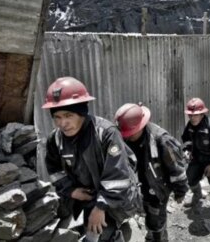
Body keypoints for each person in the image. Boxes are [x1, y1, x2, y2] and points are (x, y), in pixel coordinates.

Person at [43, 77, 140, 242]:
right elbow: (54, 171)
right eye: (57, 117)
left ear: (82, 113)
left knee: (97, 235)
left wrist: (100, 207)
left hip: (114, 199)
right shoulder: (55, 139)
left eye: (68, 115)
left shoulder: (105, 133)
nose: (63, 123)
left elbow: (118, 177)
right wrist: (71, 191)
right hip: (85, 199)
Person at [114, 103, 188, 242]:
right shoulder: (127, 138)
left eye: (129, 134)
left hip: (158, 188)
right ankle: (152, 234)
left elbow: (177, 170)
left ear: (140, 126)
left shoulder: (162, 141)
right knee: (149, 214)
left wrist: (180, 191)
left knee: (156, 218)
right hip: (142, 185)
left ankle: (158, 237)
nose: (126, 137)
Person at [181, 98, 210, 208]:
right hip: (197, 157)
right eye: (190, 115)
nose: (192, 117)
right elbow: (186, 140)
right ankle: (197, 196)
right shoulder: (190, 125)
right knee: (190, 178)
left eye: (195, 115)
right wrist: (187, 150)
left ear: (202, 114)